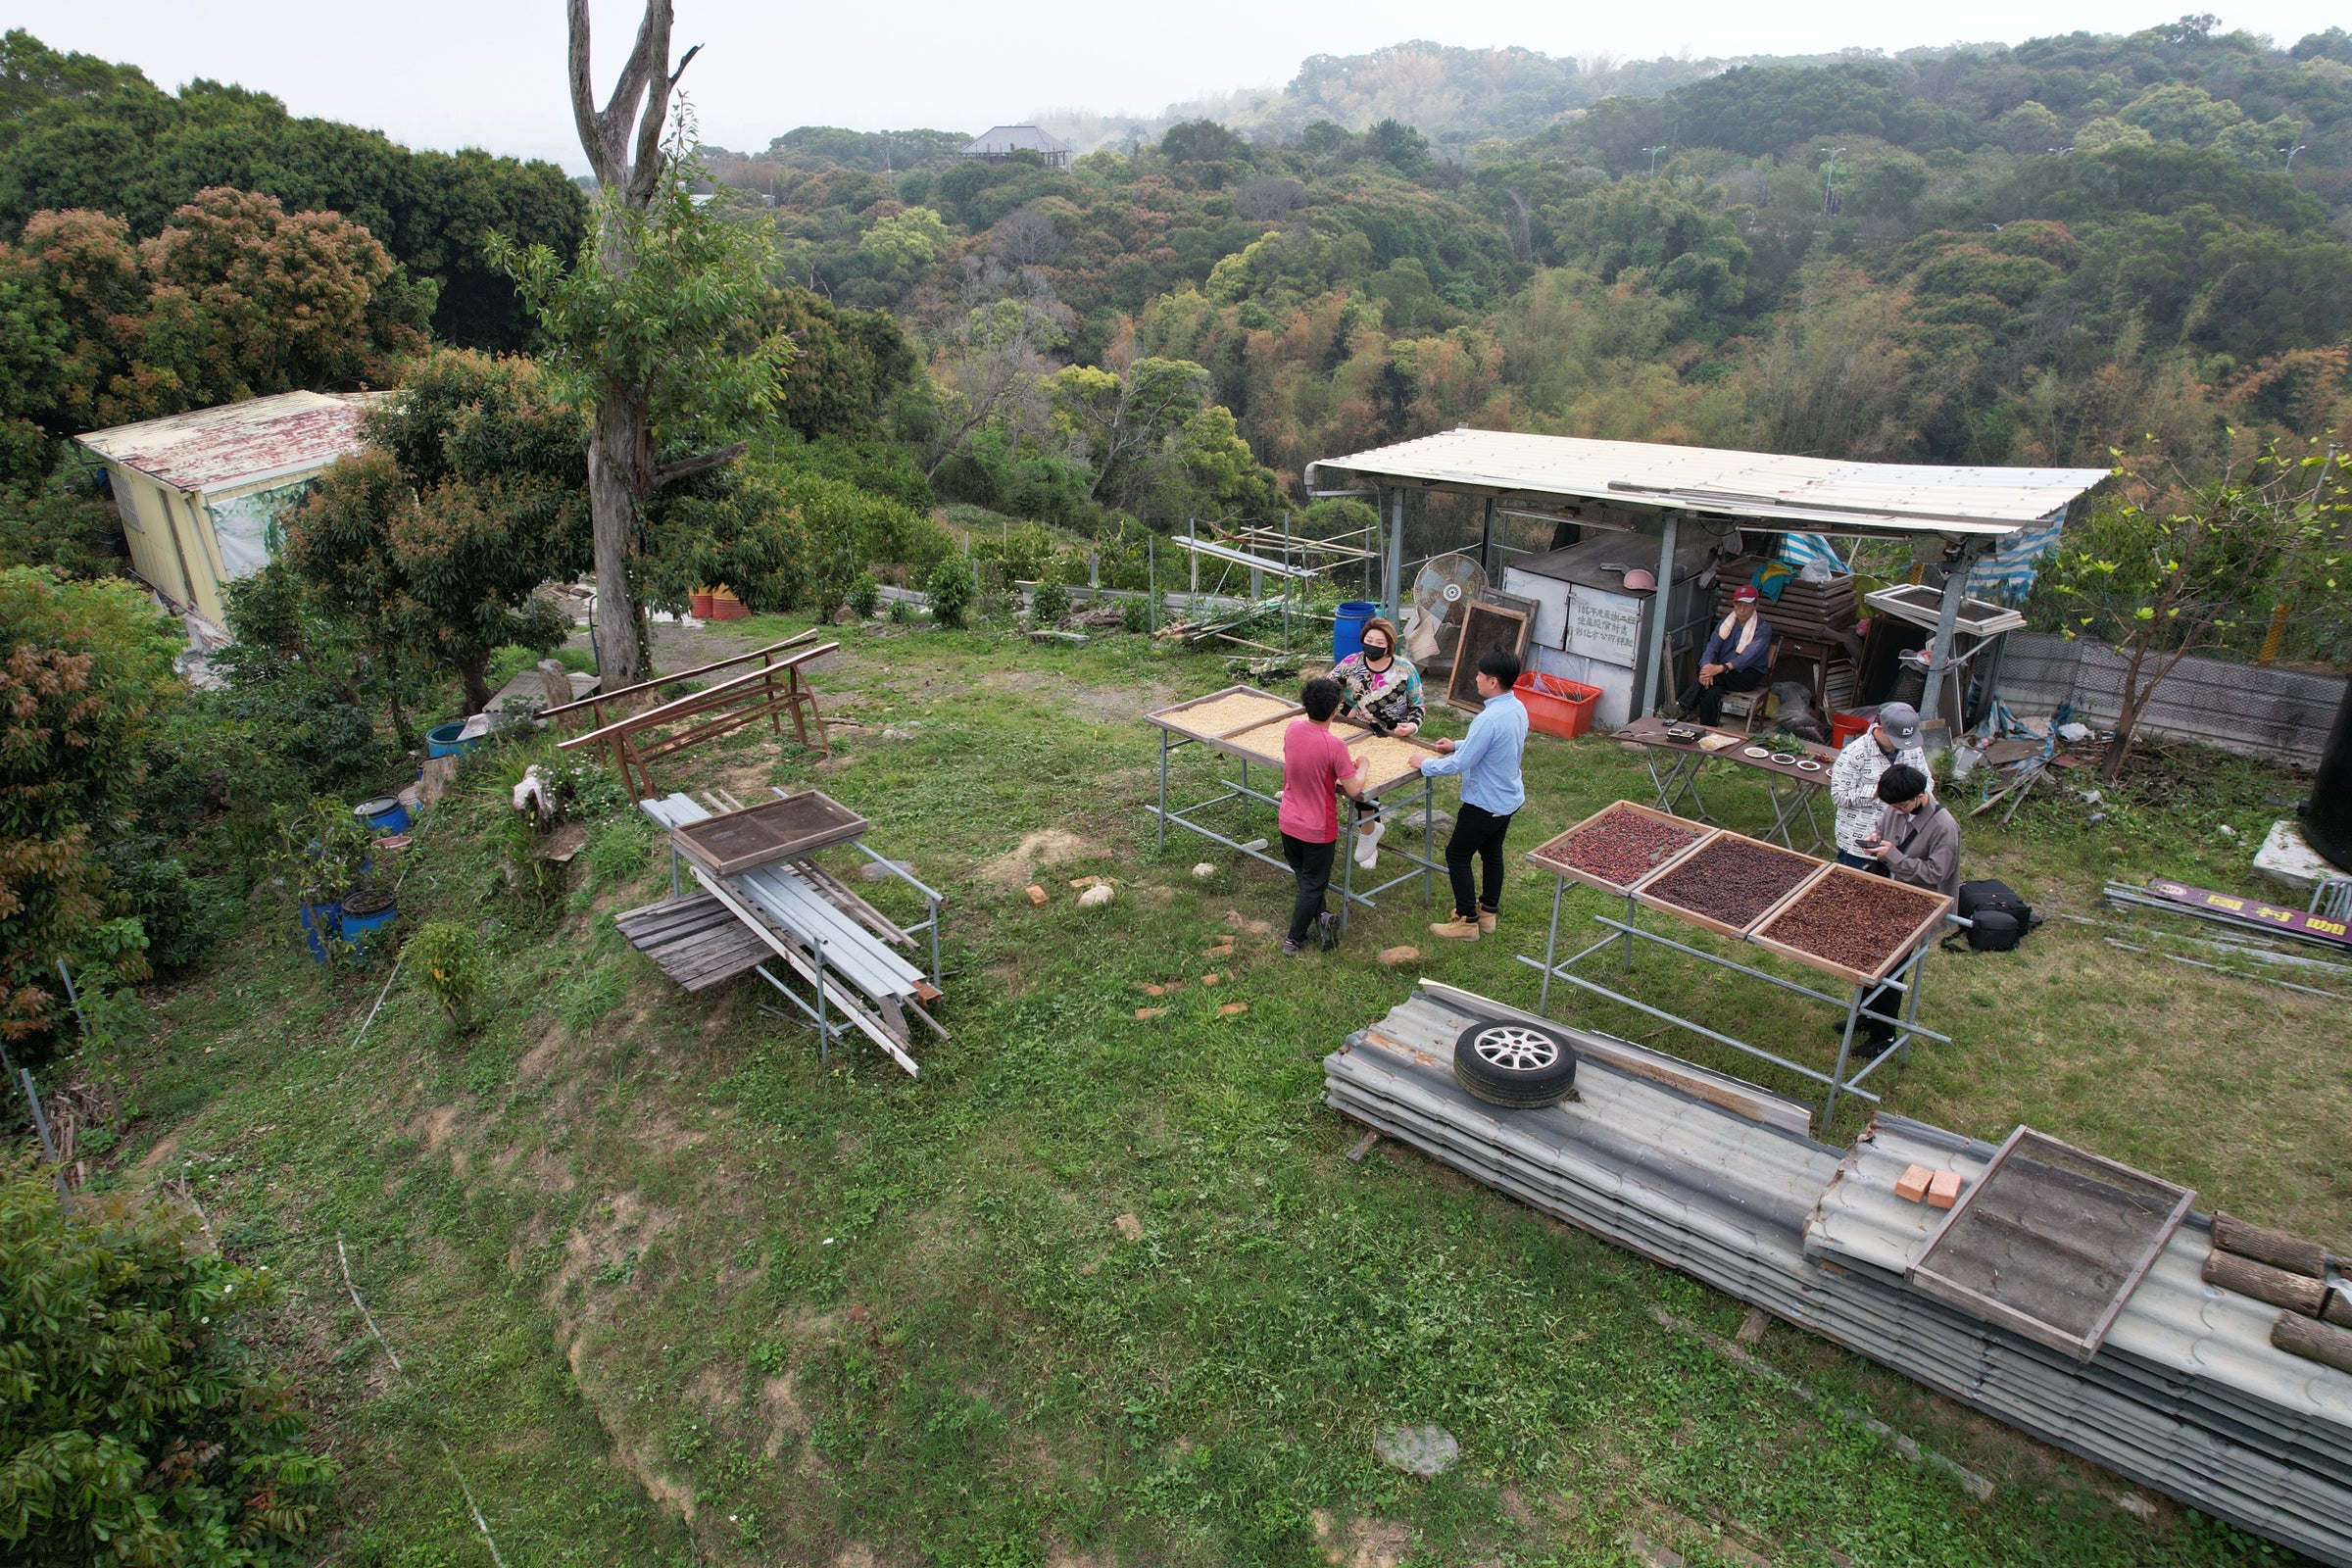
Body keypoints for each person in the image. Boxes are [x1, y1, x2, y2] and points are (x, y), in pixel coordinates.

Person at [1420, 648, 1530, 942]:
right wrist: (1457, 743)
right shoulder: (1516, 708)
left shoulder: (1488, 718)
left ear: (1492, 681)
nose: (1476, 678)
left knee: (1457, 855)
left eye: (1479, 675)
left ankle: (1467, 920)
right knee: (1492, 852)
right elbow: (1489, 744)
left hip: (1484, 802)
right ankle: (1488, 912)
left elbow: (1462, 764)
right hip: (1508, 799)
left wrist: (1425, 765)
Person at [1849, 763, 1961, 1046]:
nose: (1896, 810)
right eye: (1893, 806)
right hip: (1888, 893)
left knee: (1891, 970)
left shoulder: (1945, 828)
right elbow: (1885, 828)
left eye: (1901, 805)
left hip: (1917, 905)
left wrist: (1894, 856)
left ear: (1921, 795)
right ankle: (1867, 1015)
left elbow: (1935, 874)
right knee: (1869, 958)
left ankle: (1883, 1034)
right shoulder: (1896, 807)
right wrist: (1876, 839)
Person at [1277, 675, 1367, 956]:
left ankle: (1324, 917)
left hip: (1289, 820)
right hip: (1318, 828)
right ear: (1335, 710)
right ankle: (1294, 939)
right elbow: (1352, 789)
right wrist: (1362, 765)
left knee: (1305, 876)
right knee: (1313, 886)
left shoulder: (1292, 730)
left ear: (1305, 705)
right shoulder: (1335, 745)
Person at [1830, 701, 1932, 869]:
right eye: (1897, 740)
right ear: (1880, 729)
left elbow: (1926, 780)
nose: (1903, 746)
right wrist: (1880, 791)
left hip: (1901, 843)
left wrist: (1920, 800)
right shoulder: (1855, 753)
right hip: (1861, 844)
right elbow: (1839, 797)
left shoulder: (1911, 748)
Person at [1673, 584, 1773, 725]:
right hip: (1721, 672)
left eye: (1747, 605)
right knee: (1711, 690)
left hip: (1747, 674)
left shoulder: (1762, 629)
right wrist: (1707, 665)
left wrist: (1719, 669)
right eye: (1738, 604)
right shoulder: (1726, 623)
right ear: (1734, 604)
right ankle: (1708, 727)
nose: (1741, 609)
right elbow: (1712, 647)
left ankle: (1682, 706)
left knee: (1713, 677)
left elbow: (1746, 658)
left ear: (1756, 605)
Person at [1330, 616, 1425, 736]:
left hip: (1395, 732)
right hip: (1357, 727)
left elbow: (1417, 705)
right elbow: (1323, 691)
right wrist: (1345, 709)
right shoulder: (1350, 664)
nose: (1373, 645)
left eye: (1379, 643)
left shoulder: (1405, 670)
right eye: (1369, 641)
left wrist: (1412, 726)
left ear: (1389, 645)